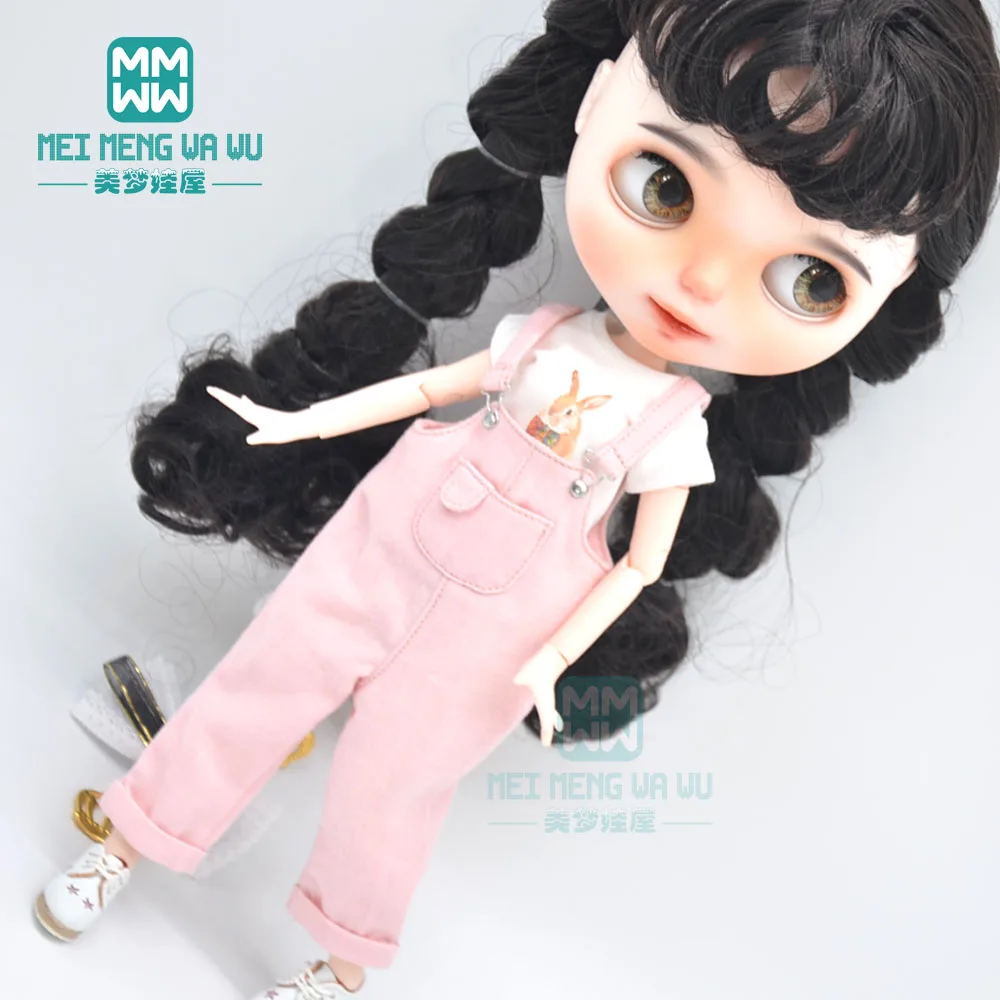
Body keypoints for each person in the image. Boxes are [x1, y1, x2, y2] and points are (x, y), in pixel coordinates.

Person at [33, 1, 1000, 997]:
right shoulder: (537, 336)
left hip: (500, 634)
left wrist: (552, 659)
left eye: (809, 280)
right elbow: (425, 392)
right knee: (257, 685)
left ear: (886, 302)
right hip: (385, 539)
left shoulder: (676, 430)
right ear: (592, 100)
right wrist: (299, 422)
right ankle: (128, 842)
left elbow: (639, 564)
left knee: (391, 790)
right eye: (665, 182)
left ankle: (342, 964)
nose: (703, 282)